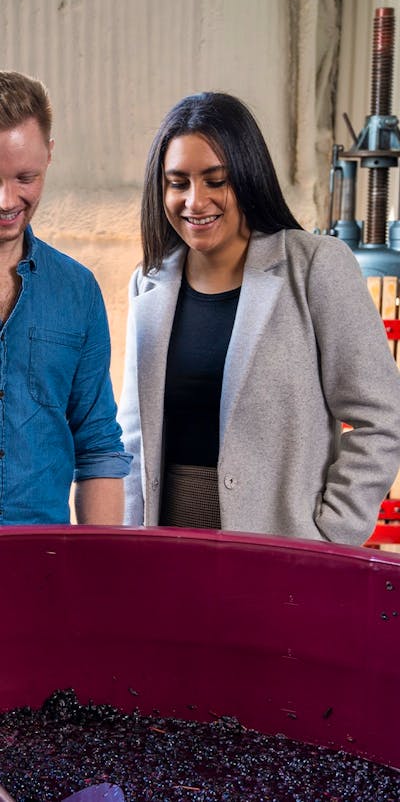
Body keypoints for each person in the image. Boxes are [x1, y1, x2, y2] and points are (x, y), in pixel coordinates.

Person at [118, 90, 400, 543]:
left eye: (215, 180)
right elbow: (133, 437)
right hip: (164, 552)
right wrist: (126, 541)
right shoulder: (148, 282)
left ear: (247, 176)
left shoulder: (313, 267)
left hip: (281, 554)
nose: (195, 201)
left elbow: (383, 416)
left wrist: (331, 535)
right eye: (178, 182)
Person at [0, 70, 132, 525]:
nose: (6, 200)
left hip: (42, 572)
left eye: (25, 177)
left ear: (50, 156)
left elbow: (97, 447)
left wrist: (102, 578)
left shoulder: (77, 292)